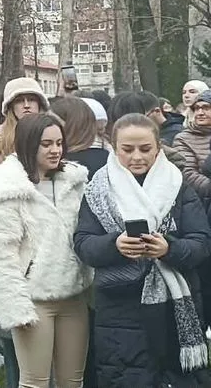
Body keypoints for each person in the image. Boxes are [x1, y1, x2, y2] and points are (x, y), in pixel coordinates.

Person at [74, 113, 211, 387]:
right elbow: (83, 243)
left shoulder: (178, 186)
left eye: (145, 149)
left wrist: (168, 248)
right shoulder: (98, 190)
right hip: (119, 307)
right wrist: (115, 244)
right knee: (126, 377)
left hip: (176, 305)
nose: (137, 156)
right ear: (114, 148)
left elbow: (201, 242)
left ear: (158, 148)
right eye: (127, 149)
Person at [0, 113, 91, 387]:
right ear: (29, 144)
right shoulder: (9, 189)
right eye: (46, 144)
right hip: (34, 300)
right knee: (34, 382)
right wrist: (15, 307)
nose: (55, 150)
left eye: (59, 143)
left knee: (73, 381)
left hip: (74, 296)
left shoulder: (75, 182)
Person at [51, 97, 109, 178]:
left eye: (54, 122)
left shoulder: (60, 164)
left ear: (72, 126)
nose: (48, 127)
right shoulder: (109, 158)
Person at [0, 77, 49, 162]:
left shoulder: (51, 132)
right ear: (11, 106)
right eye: (19, 101)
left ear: (40, 104)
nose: (26, 105)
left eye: (31, 99)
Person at [173, 89, 211, 197]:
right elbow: (187, 173)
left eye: (206, 108)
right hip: (203, 200)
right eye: (196, 108)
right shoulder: (183, 139)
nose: (200, 113)